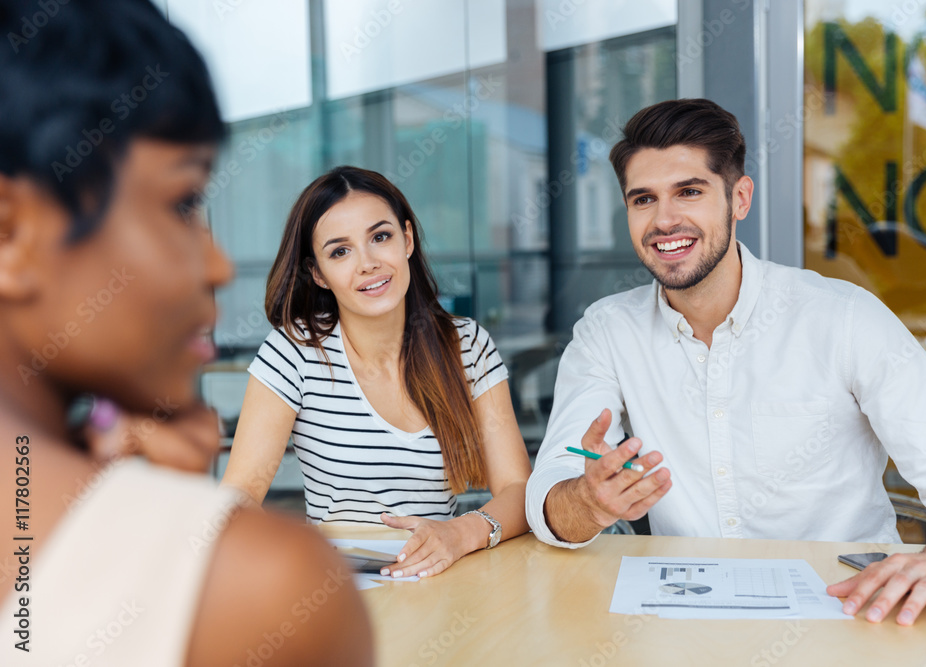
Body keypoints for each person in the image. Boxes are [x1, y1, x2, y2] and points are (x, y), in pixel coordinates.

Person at [526, 98, 926, 627]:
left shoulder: (843, 317)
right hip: (684, 625)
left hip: (850, 613)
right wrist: (588, 503)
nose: (664, 220)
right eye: (643, 200)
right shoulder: (607, 332)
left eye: (689, 191)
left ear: (740, 198)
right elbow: (551, 490)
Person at [0, 1, 372, 664]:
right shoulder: (260, 591)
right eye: (181, 203)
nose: (219, 265)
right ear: (10, 235)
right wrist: (179, 529)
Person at [221, 166, 531, 578]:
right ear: (318, 274)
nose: (367, 263)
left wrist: (461, 534)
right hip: (337, 591)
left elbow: (518, 489)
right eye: (340, 251)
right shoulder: (295, 350)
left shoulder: (467, 345)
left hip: (443, 580)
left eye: (379, 237)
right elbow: (241, 492)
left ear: (407, 239)